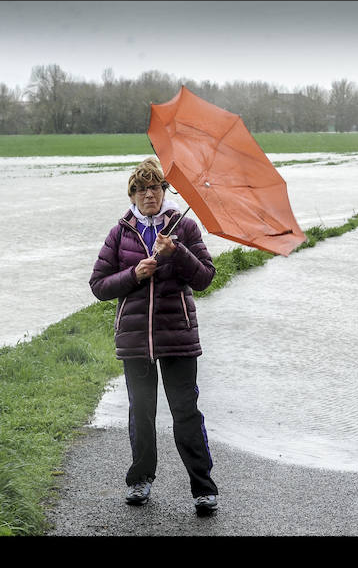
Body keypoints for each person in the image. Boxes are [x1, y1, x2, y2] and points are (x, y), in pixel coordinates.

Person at [89, 157, 219, 515]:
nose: (149, 194)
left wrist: (176, 253)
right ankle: (140, 481)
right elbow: (98, 285)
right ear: (132, 194)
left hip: (178, 336)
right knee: (141, 413)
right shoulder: (120, 232)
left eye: (155, 187)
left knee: (185, 412)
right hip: (134, 341)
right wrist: (134, 273)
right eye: (141, 188)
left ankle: (204, 489)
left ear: (164, 191)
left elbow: (205, 278)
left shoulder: (185, 228)